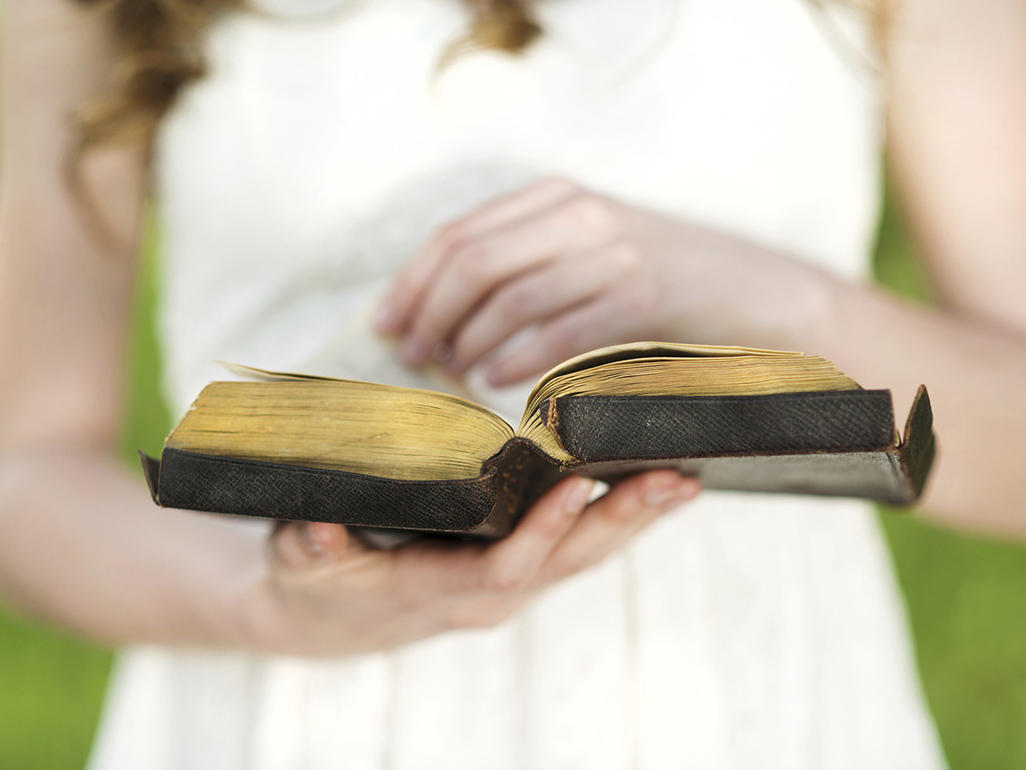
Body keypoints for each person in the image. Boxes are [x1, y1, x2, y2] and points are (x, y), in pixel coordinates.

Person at [1, 0, 1024, 767]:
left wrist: (775, 299)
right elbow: (24, 461)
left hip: (745, 697)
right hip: (293, 707)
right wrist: (266, 605)